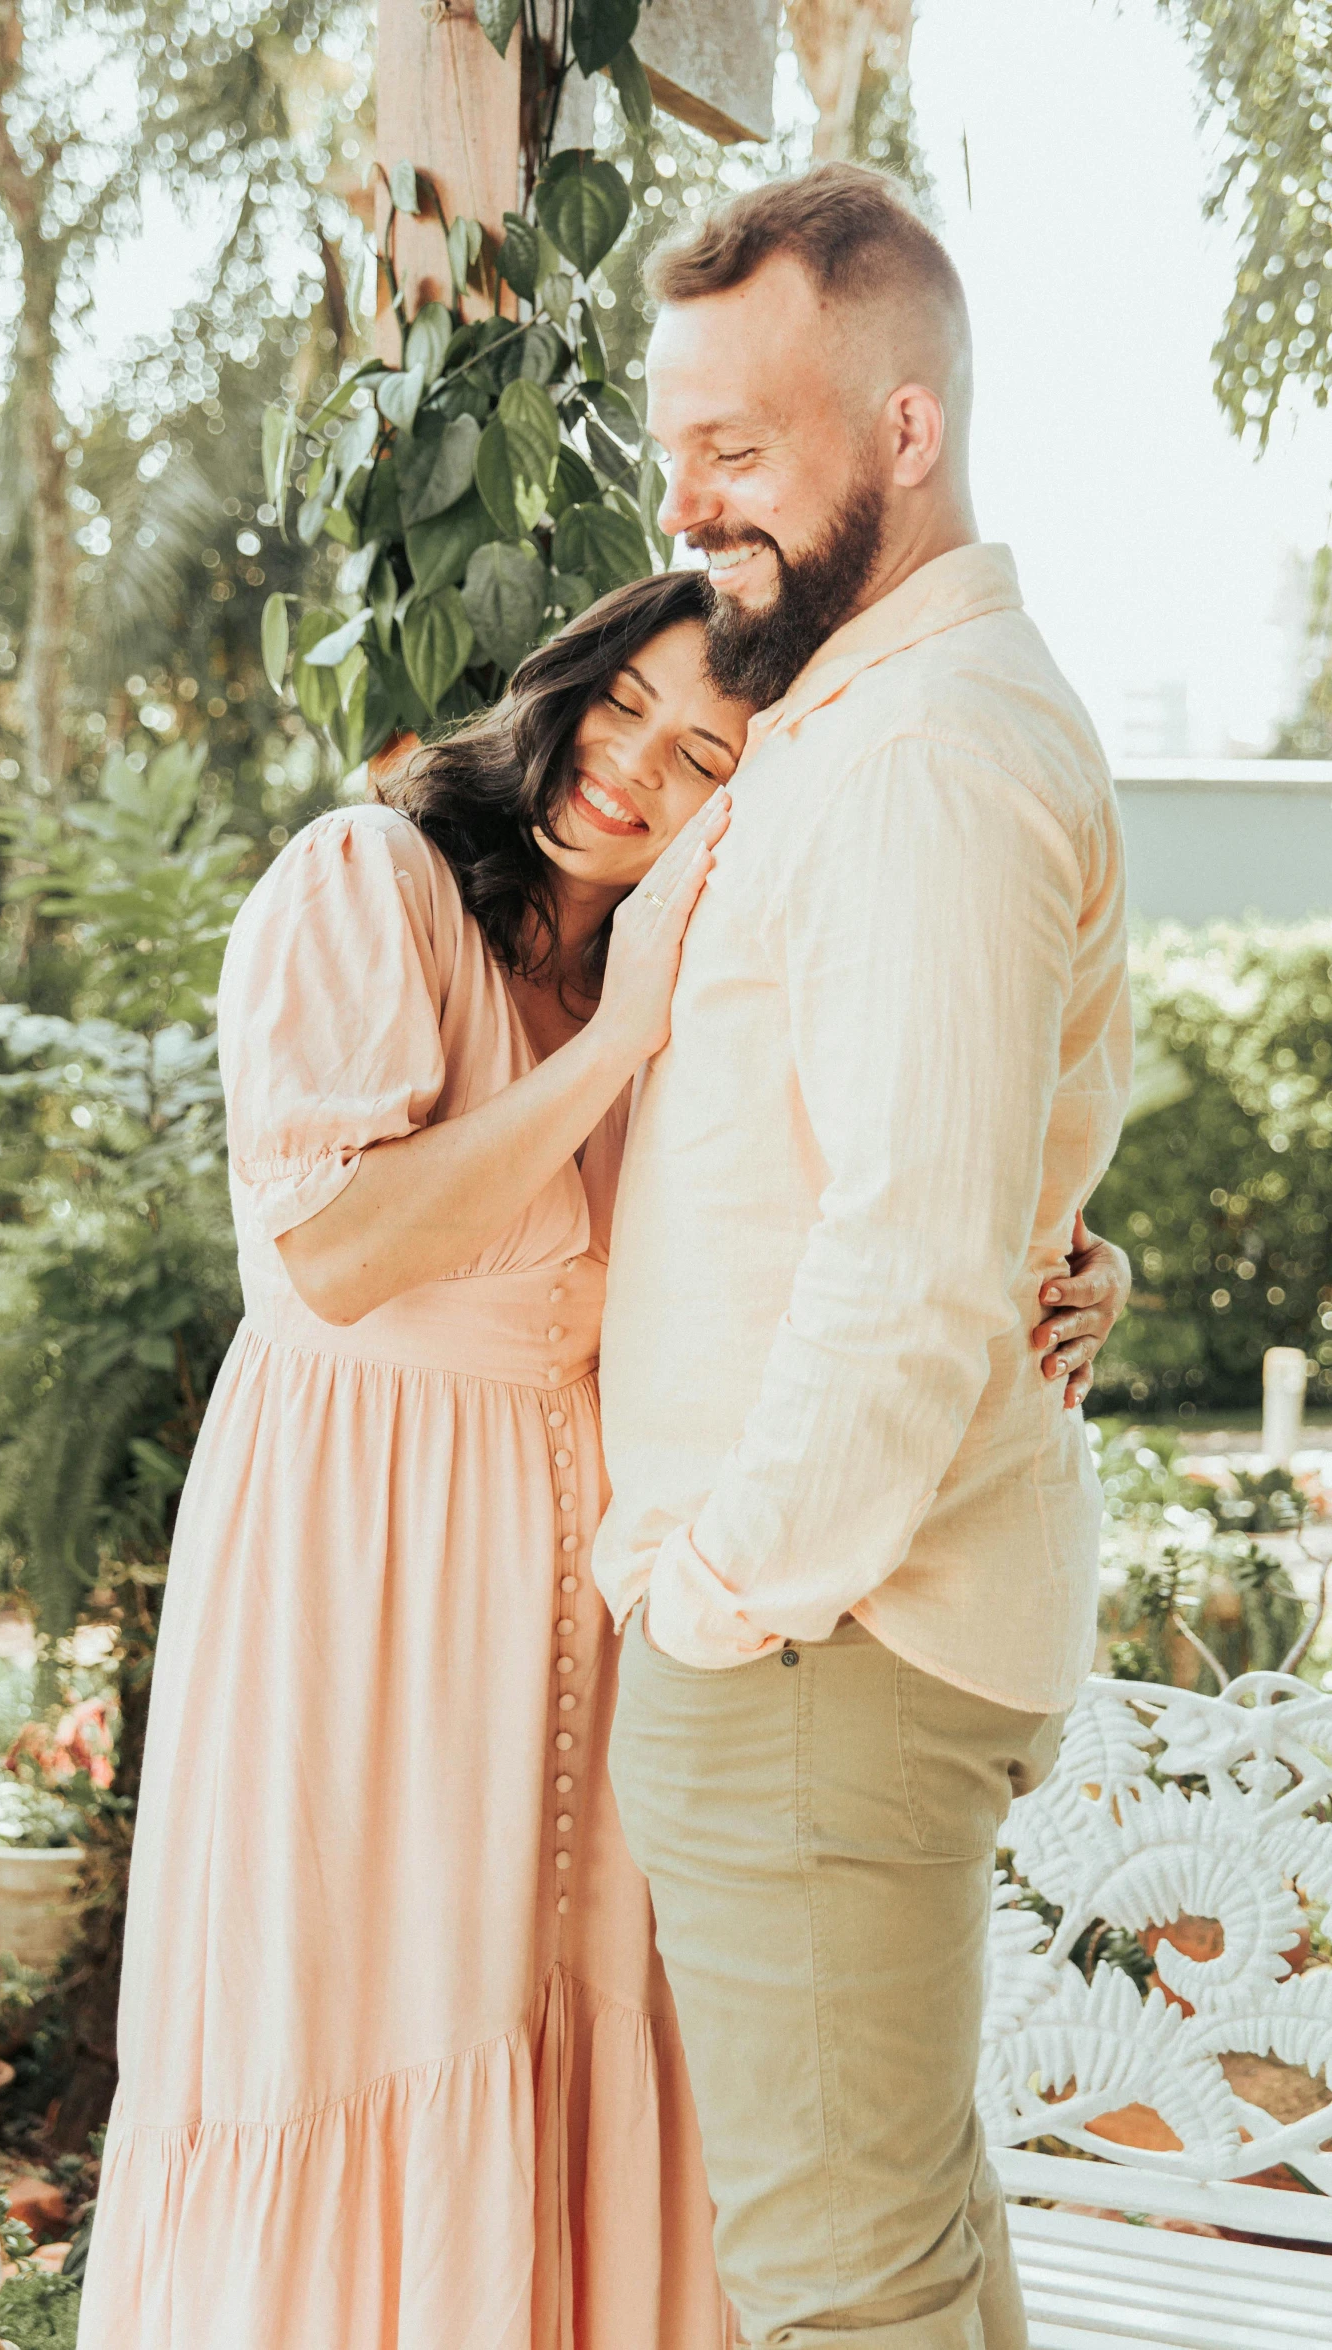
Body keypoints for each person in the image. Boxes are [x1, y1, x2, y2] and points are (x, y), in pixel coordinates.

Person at [76, 566, 1129, 2347]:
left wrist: (1070, 1251)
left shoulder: (701, 981)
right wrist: (616, 1034)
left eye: (704, 755)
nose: (633, 765)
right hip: (356, 1557)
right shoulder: (369, 884)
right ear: (563, 684)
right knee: (354, 2008)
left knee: (578, 2012)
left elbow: (865, 1182)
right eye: (624, 703)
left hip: (594, 1577)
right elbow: (328, 1249)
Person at [595, 168, 1134, 2350]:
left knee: (843, 2294)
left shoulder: (920, 753)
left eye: (742, 442)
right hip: (861, 1622)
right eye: (676, 438)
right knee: (910, 2263)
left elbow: (909, 1257)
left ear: (904, 431)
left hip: (823, 1638)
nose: (688, 490)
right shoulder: (883, 714)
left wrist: (727, 1592)